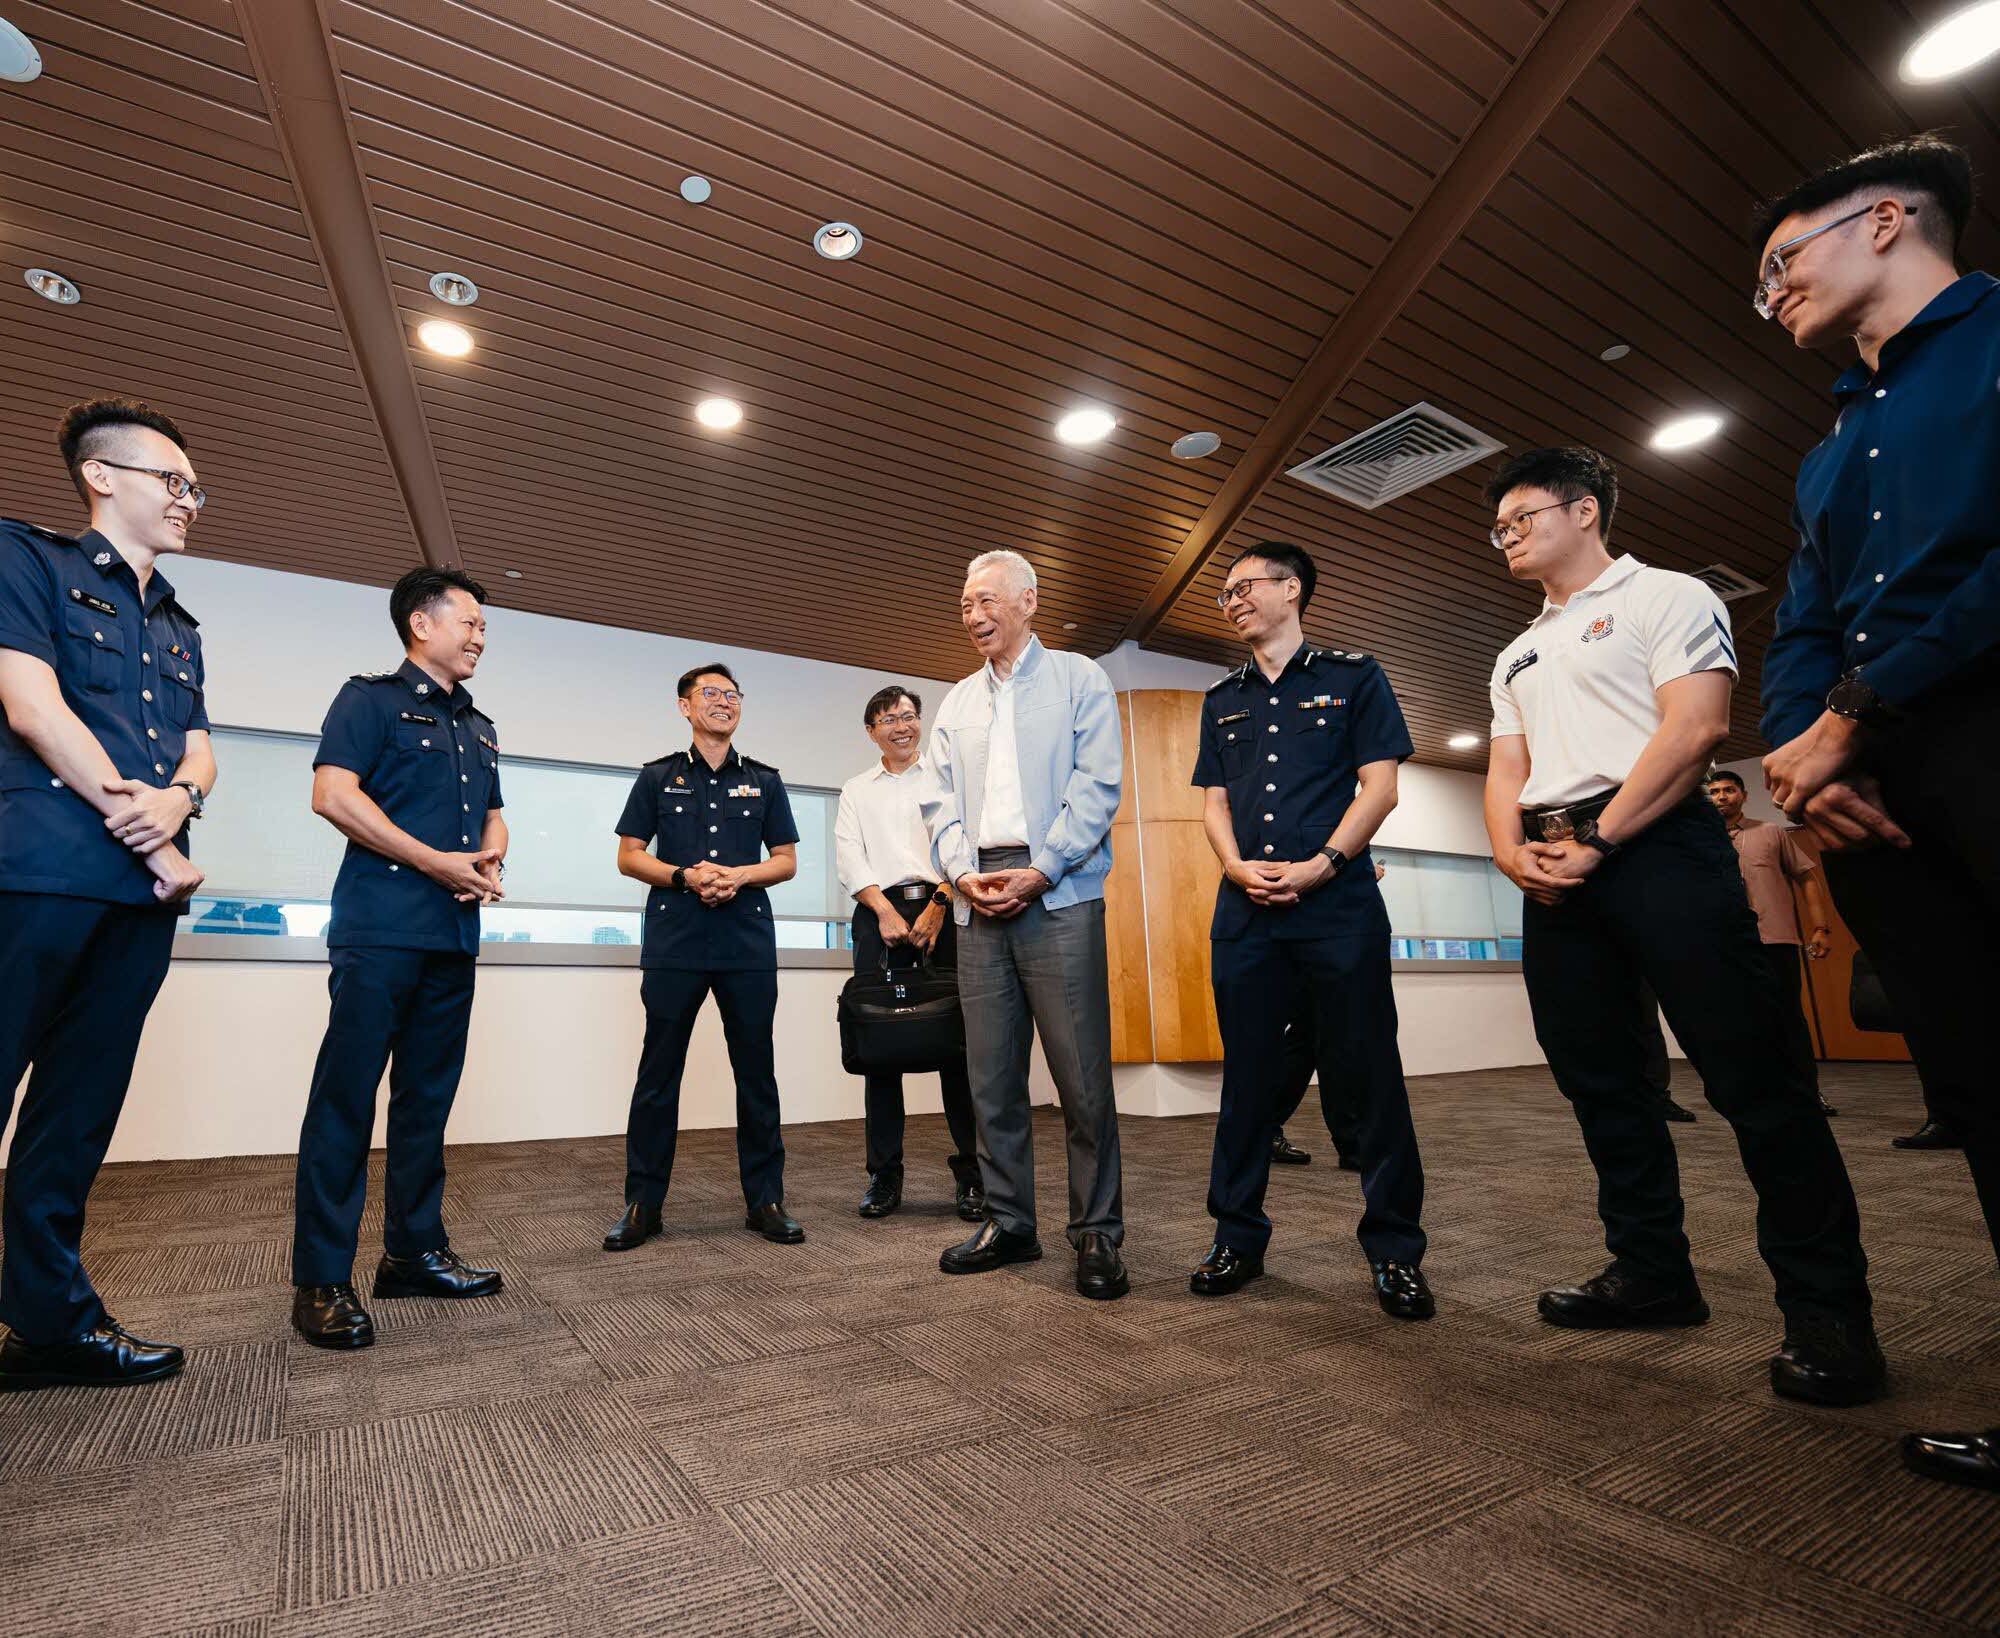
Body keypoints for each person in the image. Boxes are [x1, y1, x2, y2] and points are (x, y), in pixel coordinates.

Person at [1482, 444, 1884, 1406]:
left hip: (1658, 847)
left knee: (1756, 1080)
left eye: (1522, 517)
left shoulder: (1668, 596)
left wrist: (1602, 842)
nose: (1506, 536)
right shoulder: (1515, 651)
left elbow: (1697, 727)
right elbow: (1507, 768)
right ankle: (1652, 1274)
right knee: (1605, 1086)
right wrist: (1511, 854)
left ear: (1584, 510)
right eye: (1497, 528)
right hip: (1554, 869)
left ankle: (1829, 1314)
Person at [1750, 134, 1999, 1489]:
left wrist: (1861, 702)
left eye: (1783, 262)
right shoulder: (1835, 440)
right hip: (1876, 789)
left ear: (1889, 220)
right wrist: (1810, 753)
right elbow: (1803, 618)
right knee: (1977, 1083)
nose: (1773, 290)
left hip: (1977, 727)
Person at [0, 398, 211, 1390]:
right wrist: (143, 821)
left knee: (74, 1118)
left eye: (193, 487)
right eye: (173, 481)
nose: (188, 500)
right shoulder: (26, 560)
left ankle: (49, 1325)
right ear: (102, 477)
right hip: (38, 874)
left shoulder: (178, 620)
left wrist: (177, 799)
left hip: (139, 900)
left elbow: (200, 746)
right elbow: (31, 707)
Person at [1189, 542, 1431, 1318]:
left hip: (1338, 908)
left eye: (1244, 587)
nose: (1231, 601)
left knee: (1368, 1078)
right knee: (1249, 1082)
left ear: (1292, 589)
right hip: (1247, 912)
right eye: (1223, 594)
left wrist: (1324, 862)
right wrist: (1232, 866)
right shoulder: (1219, 697)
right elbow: (1215, 800)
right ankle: (1237, 1237)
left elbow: (1381, 785)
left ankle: (1395, 1251)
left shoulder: (1354, 677)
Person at [290, 566, 507, 1349]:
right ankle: (320, 1279)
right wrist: (433, 861)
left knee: (427, 1100)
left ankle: (412, 1253)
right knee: (345, 1101)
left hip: (452, 936)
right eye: (470, 622)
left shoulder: (479, 725)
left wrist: (486, 860)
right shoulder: (370, 700)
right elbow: (333, 796)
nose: (481, 636)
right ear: (423, 623)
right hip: (379, 929)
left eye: (484, 627)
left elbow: (493, 815)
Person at [921, 550, 1126, 1299]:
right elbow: (937, 801)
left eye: (985, 601)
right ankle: (1011, 1223)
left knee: (1082, 1079)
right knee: (992, 1079)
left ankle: (1097, 1231)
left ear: (1027, 601)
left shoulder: (1080, 679)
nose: (973, 616)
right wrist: (959, 873)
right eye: (965, 604)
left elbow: (1097, 787)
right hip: (977, 895)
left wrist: (1043, 869)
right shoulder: (956, 703)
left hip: (1060, 892)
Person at [603, 663, 805, 1251]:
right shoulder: (657, 777)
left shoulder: (765, 781)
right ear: (684, 707)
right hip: (676, 940)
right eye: (710, 694)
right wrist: (682, 877)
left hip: (745, 941)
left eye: (732, 695)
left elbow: (786, 860)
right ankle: (643, 1203)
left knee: (756, 1073)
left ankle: (766, 1199)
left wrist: (740, 875)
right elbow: (629, 855)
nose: (723, 703)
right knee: (658, 1075)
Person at [834, 686, 984, 1222]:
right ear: (871, 730)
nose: (901, 725)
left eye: (908, 716)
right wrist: (882, 910)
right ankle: (883, 1177)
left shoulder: (947, 777)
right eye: (887, 719)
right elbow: (849, 856)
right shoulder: (856, 789)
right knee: (880, 1047)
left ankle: (974, 1175)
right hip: (879, 915)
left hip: (946, 908)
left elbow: (964, 842)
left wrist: (942, 902)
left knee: (960, 1047)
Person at [1703, 769, 1839, 1117]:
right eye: (1714, 791)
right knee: (1735, 1022)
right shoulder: (1698, 842)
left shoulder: (1771, 832)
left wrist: (1820, 928)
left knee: (1788, 1020)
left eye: (1729, 790)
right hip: (1721, 948)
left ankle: (1808, 1092)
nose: (1721, 797)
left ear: (1743, 795)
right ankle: (1758, 1096)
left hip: (1774, 941)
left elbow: (1807, 877)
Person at [1271, 857, 1386, 1170]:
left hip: (1318, 941)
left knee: (1306, 1042)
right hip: (1315, 940)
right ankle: (1352, 1143)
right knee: (1329, 1043)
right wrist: (1354, 876)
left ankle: (1263, 1129)